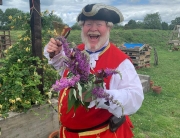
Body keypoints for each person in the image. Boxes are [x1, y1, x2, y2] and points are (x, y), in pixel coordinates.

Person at [44, 3, 144, 138]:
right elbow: (65, 73)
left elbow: (134, 97)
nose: (93, 29)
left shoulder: (121, 62)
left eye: (98, 24)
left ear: (108, 27)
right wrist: (55, 54)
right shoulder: (75, 51)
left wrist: (99, 95)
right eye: (88, 24)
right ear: (82, 27)